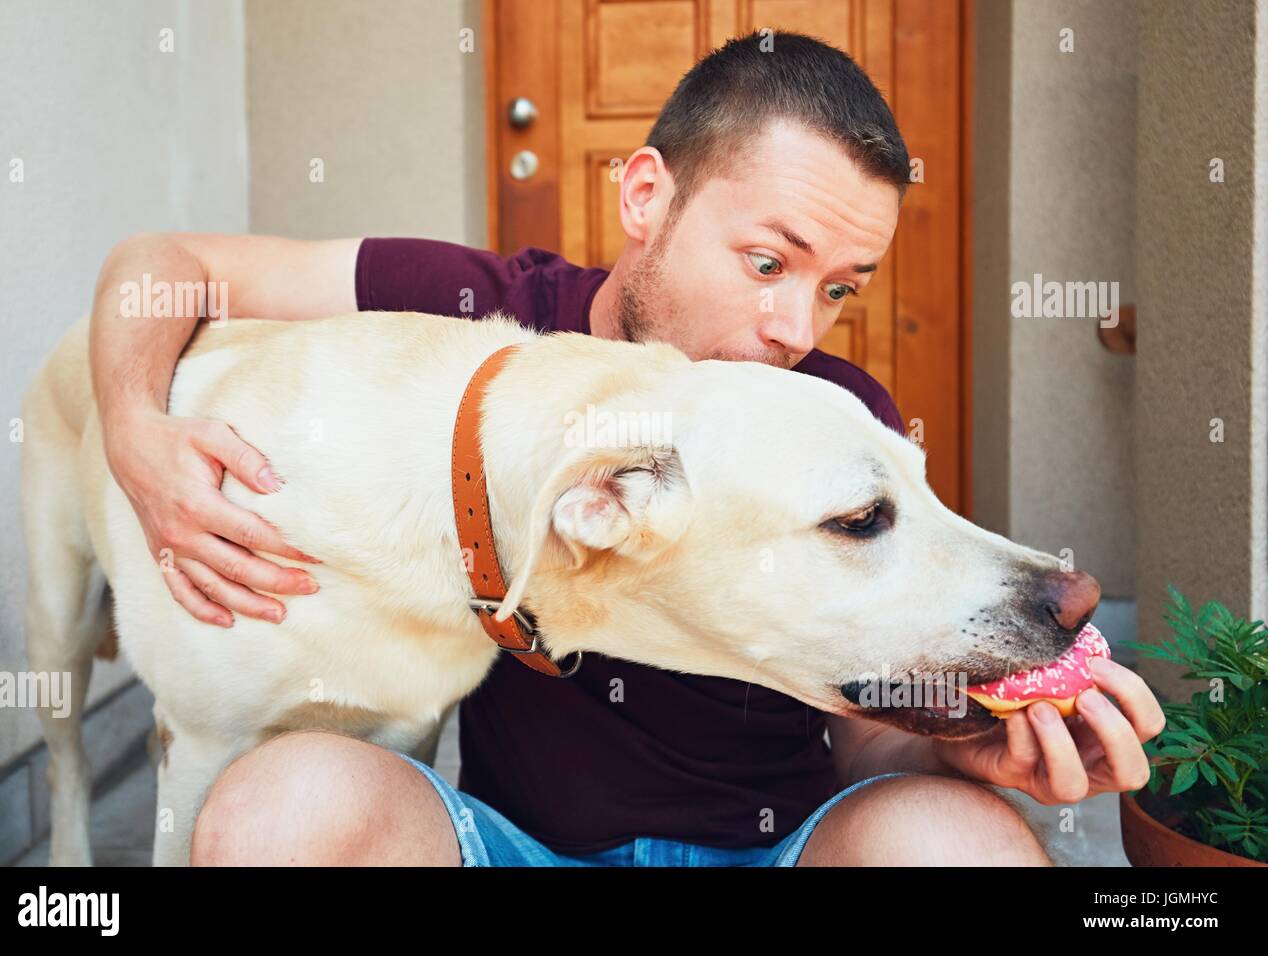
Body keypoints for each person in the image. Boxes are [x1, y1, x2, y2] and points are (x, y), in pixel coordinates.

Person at [87, 32, 1163, 866]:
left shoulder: (833, 415)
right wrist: (136, 430)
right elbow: (163, 263)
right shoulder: (480, 321)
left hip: (778, 841)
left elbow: (858, 721)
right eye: (765, 260)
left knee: (962, 844)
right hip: (517, 842)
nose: (797, 326)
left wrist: (950, 734)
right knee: (278, 808)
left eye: (838, 287)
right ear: (646, 196)